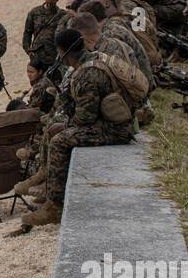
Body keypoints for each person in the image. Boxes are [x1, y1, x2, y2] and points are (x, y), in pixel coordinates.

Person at [21, 28, 135, 228]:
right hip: (110, 123)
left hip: (115, 129)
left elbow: (85, 118)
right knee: (52, 129)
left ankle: (54, 206)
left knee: (59, 140)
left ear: (63, 51)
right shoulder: (92, 60)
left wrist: (63, 125)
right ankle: (44, 177)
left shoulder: (87, 74)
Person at [22, 0, 69, 67]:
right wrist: (28, 49)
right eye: (48, 2)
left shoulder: (62, 15)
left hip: (54, 54)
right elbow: (27, 32)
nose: (49, 5)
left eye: (52, 3)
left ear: (57, 0)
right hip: (36, 53)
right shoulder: (34, 13)